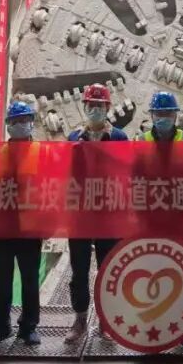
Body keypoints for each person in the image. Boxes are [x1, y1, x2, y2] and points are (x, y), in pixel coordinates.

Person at [63, 83, 128, 344]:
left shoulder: (120, 138)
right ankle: (80, 319)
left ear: (108, 108)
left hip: (108, 214)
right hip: (80, 214)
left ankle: (105, 319)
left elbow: (126, 173)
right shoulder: (73, 137)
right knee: (79, 270)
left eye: (100, 106)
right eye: (91, 105)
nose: (95, 110)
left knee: (107, 269)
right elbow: (63, 173)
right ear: (85, 106)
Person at [137, 91, 183, 349]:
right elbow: (133, 178)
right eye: (159, 113)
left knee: (181, 272)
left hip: (181, 219)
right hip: (152, 219)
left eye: (168, 113)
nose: (163, 118)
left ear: (175, 115)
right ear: (152, 116)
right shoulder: (141, 141)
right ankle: (152, 327)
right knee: (151, 273)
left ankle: (182, 329)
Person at [0, 101, 43, 347]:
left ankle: (29, 327)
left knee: (30, 281)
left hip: (30, 228)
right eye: (15, 121)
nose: (19, 125)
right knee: (1, 281)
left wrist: (48, 224)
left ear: (31, 123)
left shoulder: (42, 152)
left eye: (24, 120)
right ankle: (0, 328)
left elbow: (52, 189)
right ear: (8, 125)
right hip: (3, 228)